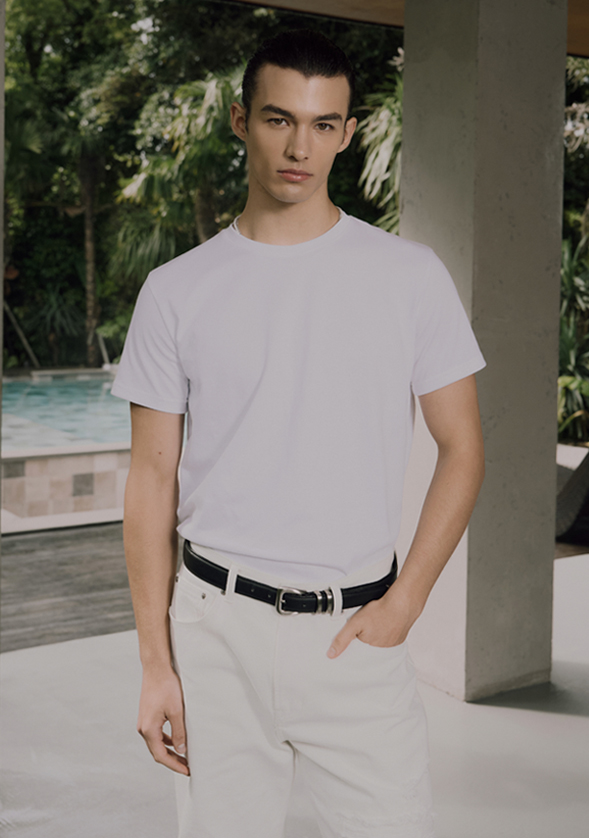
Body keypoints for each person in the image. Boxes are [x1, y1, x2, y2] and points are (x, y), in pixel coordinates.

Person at [112, 28, 485, 838]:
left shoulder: (409, 277)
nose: (298, 148)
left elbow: (462, 448)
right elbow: (150, 479)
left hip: (355, 636)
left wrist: (406, 602)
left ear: (346, 133)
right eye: (279, 120)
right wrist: (155, 663)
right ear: (241, 120)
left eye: (321, 125)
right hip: (215, 631)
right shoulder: (176, 291)